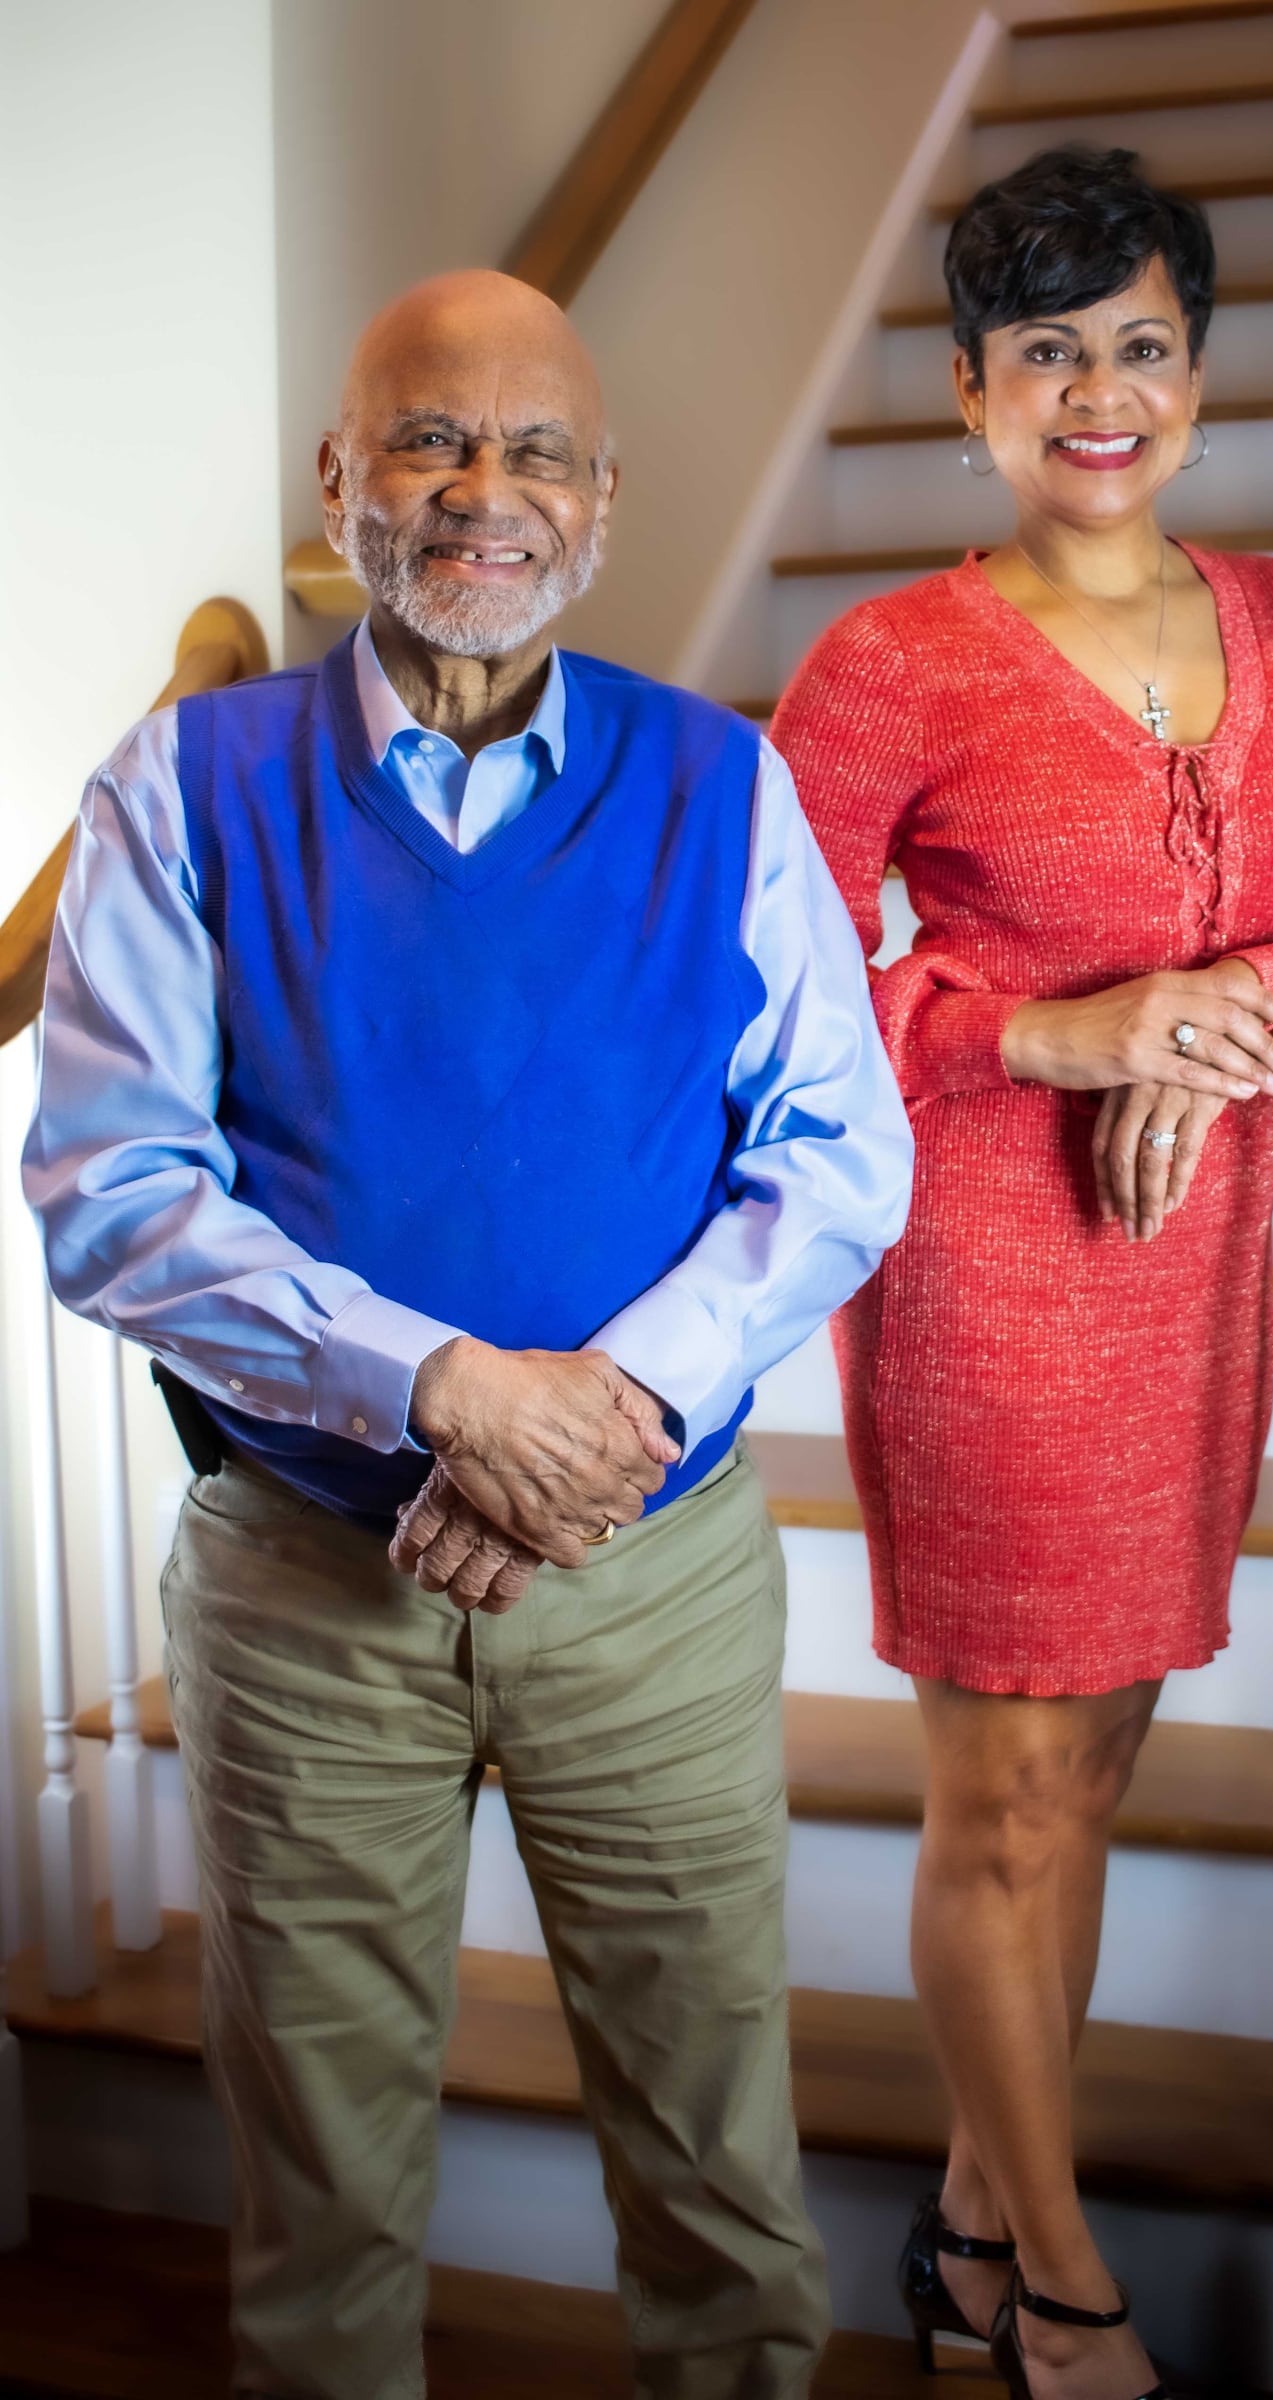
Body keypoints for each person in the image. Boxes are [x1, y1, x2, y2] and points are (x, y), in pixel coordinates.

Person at [25, 268, 915, 2400]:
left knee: (717, 2173)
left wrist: (599, 1413)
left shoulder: (724, 786)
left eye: (533, 451)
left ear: (600, 503)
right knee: (316, 2205)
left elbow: (838, 1154)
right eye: (428, 441)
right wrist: (439, 1394)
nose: (478, 494)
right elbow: (112, 1189)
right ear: (341, 482)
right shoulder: (182, 786)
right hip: (307, 1586)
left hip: (651, 1576)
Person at [770, 144, 1273, 2400]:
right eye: (1043, 353)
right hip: (987, 1264)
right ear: (970, 394)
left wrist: (1239, 998)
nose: (1093, 392)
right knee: (1002, 1784)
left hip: (1192, 1274)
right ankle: (1063, 2293)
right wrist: (1059, 1026)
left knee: (1090, 1761)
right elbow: (769, 995)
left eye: (1133, 345)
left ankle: (974, 2233)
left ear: (1191, 380)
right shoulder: (886, 658)